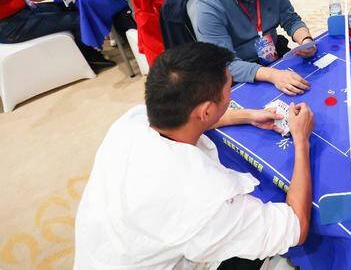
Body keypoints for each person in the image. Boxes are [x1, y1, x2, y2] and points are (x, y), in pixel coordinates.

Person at [74, 42, 314, 268]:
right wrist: (300, 139)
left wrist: (248, 115)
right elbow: (297, 226)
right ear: (206, 111)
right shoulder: (204, 198)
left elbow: (191, 119)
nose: (231, 94)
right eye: (229, 88)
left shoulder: (130, 123)